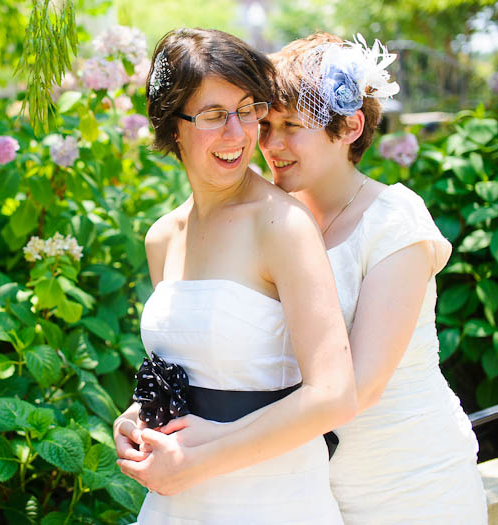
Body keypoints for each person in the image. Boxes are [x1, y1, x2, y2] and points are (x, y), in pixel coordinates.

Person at [112, 27, 357, 524]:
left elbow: (333, 394)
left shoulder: (282, 225)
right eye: (212, 115)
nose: (237, 134)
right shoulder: (163, 237)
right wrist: (138, 417)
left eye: (247, 110)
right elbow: (192, 370)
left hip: (270, 497)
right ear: (171, 125)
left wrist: (199, 463)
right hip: (178, 499)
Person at [255, 32, 487, 524]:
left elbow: (361, 385)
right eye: (266, 125)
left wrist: (217, 444)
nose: (272, 145)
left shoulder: (394, 219)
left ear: (350, 126)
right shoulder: (274, 222)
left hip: (411, 486)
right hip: (308, 491)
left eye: (292, 125)